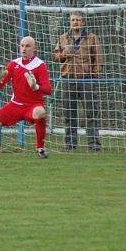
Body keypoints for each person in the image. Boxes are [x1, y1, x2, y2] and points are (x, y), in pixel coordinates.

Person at [53, 11, 103, 151]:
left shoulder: (92, 38)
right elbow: (56, 57)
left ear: (83, 22)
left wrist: (94, 75)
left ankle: (94, 144)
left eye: (78, 20)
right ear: (70, 22)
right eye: (73, 20)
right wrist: (64, 54)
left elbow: (98, 58)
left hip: (86, 79)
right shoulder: (63, 37)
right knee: (69, 113)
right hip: (68, 79)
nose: (75, 22)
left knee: (91, 112)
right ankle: (70, 144)